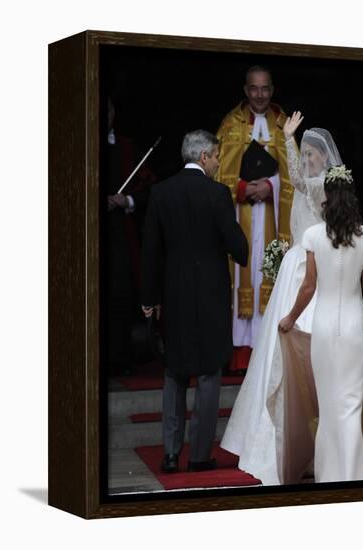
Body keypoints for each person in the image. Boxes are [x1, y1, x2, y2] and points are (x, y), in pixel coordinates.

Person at [220, 113, 344, 485]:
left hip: (311, 268)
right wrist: (291, 143)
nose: (307, 159)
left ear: (324, 158)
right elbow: (294, 179)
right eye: (303, 153)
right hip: (294, 266)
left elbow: (298, 183)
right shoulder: (309, 180)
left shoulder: (323, 185)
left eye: (312, 153)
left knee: (304, 346)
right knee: (274, 347)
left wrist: (288, 142)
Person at [141, 129, 248, 473]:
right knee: (208, 374)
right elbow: (238, 248)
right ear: (203, 157)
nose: (218, 162)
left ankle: (171, 454)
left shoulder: (161, 192)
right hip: (212, 297)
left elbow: (150, 253)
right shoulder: (217, 194)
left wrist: (149, 298)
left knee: (174, 372)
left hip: (174, 297)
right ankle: (200, 456)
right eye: (216, 156)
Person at [279, 165, 363, 482]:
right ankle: (354, 474)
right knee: (351, 405)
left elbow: (308, 287)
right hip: (354, 329)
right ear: (352, 197)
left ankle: (330, 476)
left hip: (324, 329)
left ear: (326, 196)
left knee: (329, 406)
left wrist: (290, 318)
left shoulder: (313, 235)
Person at [216, 66, 294, 372]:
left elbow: (294, 174)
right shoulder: (231, 124)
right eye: (253, 89)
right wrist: (245, 188)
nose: (259, 95)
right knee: (242, 273)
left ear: (272, 90)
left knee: (269, 275)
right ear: (245, 91)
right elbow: (219, 172)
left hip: (274, 219)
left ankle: (268, 353)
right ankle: (241, 358)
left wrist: (270, 187)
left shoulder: (283, 124)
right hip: (241, 215)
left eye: (264, 89)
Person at [106, 98, 156, 375]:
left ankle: (120, 358)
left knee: (121, 291)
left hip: (121, 236)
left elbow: (148, 188)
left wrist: (126, 201)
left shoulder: (128, 148)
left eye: (109, 111)